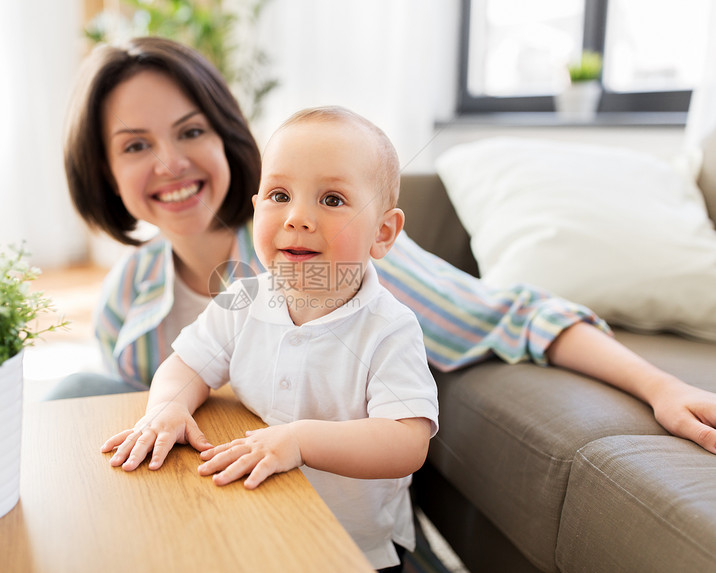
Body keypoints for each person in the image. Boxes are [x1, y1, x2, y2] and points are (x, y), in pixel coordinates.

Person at [57, 36, 716, 460]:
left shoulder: (337, 262)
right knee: (77, 390)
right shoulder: (127, 294)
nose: (169, 163)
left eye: (189, 131)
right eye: (136, 145)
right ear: (105, 171)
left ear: (227, 136)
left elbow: (512, 314)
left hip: (318, 504)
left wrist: (658, 385)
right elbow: (146, 400)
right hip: (210, 490)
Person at [102, 106, 439, 570]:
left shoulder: (389, 329)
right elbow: (187, 364)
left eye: (333, 200)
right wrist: (168, 407)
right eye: (280, 194)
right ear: (257, 208)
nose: (298, 217)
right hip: (259, 519)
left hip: (355, 545)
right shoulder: (243, 299)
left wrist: (300, 440)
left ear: (382, 233)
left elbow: (406, 443)